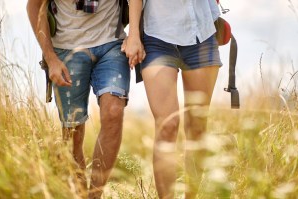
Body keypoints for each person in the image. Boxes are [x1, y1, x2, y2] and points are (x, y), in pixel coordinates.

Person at [27, 0, 131, 198]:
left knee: (114, 112)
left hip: (112, 44)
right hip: (66, 50)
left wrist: (134, 35)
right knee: (72, 132)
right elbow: (34, 6)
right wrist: (51, 59)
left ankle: (95, 195)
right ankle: (80, 194)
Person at [123, 0, 222, 198]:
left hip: (201, 32)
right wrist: (133, 34)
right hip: (157, 37)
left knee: (197, 126)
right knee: (167, 125)